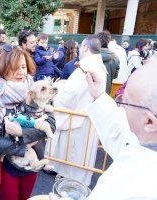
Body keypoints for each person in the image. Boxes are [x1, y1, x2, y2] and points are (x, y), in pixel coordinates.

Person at [0, 44, 56, 200]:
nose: (21, 71)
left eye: (23, 66)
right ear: (3, 68)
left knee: (26, 197)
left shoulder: (37, 89)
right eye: (15, 67)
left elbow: (51, 125)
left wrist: (22, 133)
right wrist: (21, 147)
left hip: (34, 157)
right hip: (6, 162)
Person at [78, 55, 157, 199]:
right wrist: (99, 95)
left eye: (125, 101)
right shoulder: (146, 143)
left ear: (150, 122)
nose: (120, 105)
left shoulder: (145, 189)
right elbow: (121, 135)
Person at [49, 35, 107, 186]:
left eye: (81, 47)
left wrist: (58, 88)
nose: (79, 50)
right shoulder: (98, 65)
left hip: (79, 122)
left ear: (86, 48)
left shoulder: (86, 66)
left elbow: (70, 94)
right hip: (88, 118)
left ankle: (70, 188)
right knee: (82, 158)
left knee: (74, 160)